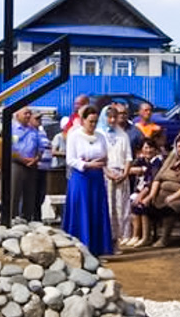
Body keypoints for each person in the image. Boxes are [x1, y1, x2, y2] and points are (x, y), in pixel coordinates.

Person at [63, 105, 113, 256]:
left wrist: (101, 161)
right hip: (81, 178)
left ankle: (97, 248)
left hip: (96, 179)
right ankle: (79, 246)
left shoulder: (101, 136)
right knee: (81, 211)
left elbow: (105, 154)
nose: (93, 125)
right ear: (83, 120)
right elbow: (70, 160)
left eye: (95, 122)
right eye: (90, 121)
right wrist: (86, 164)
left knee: (96, 211)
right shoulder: (74, 136)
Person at [101, 105, 133, 247]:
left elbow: (128, 157)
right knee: (107, 208)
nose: (112, 120)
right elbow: (98, 156)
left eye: (115, 117)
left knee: (120, 210)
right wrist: (107, 171)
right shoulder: (99, 134)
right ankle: (105, 240)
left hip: (121, 175)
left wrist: (125, 173)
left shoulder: (123, 134)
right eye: (110, 117)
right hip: (105, 175)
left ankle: (116, 241)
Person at [10, 106, 45, 223]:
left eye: (29, 113)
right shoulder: (12, 130)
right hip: (17, 165)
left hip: (32, 165)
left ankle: (27, 220)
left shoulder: (34, 131)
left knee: (30, 195)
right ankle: (12, 219)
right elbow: (10, 149)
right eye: (25, 113)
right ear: (17, 115)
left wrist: (36, 158)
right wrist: (22, 159)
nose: (28, 116)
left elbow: (41, 147)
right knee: (14, 193)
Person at [127, 138, 164, 248]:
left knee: (141, 204)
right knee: (131, 202)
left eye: (150, 148)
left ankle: (145, 237)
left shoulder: (157, 163)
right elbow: (127, 168)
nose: (148, 150)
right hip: (140, 190)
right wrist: (136, 169)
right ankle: (135, 235)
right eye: (146, 148)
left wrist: (140, 196)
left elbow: (150, 183)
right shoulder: (142, 160)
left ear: (155, 149)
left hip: (153, 192)